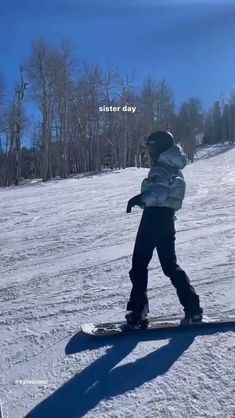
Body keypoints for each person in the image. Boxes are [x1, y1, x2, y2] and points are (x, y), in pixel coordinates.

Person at [125, 131, 203, 328]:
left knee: (139, 265)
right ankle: (193, 308)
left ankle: (138, 313)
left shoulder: (160, 167)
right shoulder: (175, 168)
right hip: (167, 221)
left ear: (159, 147)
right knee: (170, 266)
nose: (149, 151)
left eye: (152, 147)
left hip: (153, 219)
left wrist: (139, 199)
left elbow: (158, 194)